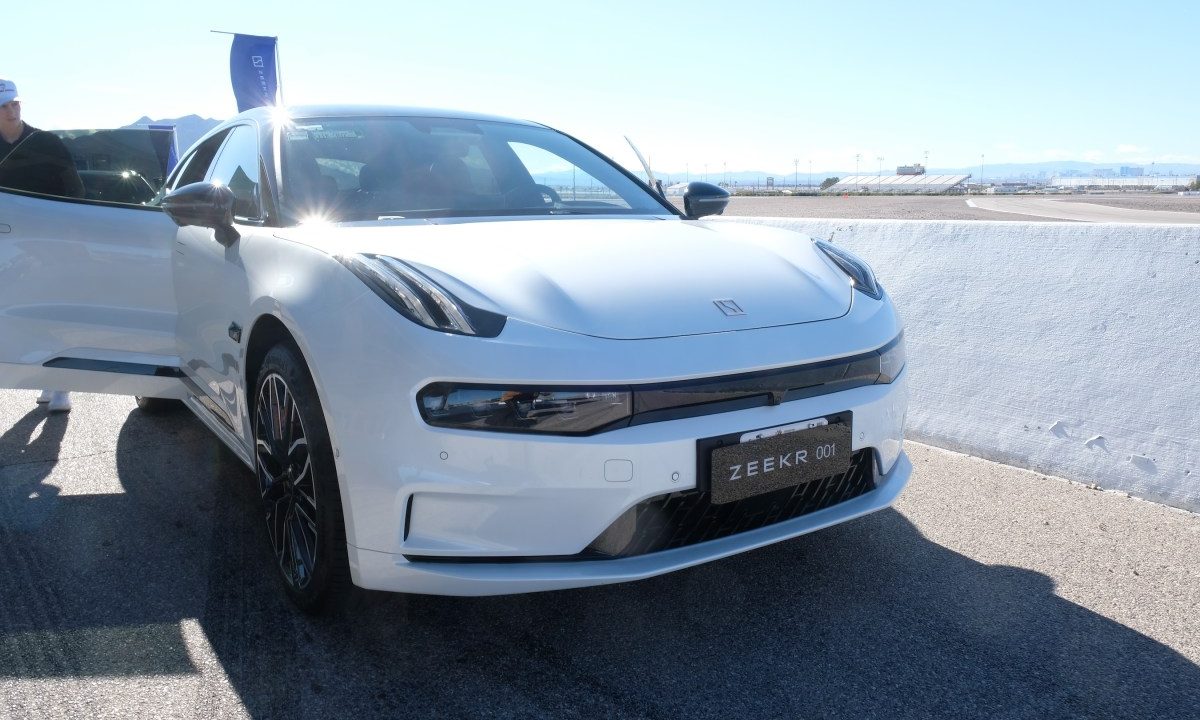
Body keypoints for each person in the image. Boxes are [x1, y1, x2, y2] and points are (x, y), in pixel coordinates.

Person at [0, 79, 84, 413]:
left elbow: (74, 189)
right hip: (6, 243)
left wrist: (74, 232)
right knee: (14, 314)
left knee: (51, 310)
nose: (11, 110)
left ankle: (60, 384)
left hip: (49, 242)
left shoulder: (46, 143)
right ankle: (36, 374)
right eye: (4, 106)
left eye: (15, 103)